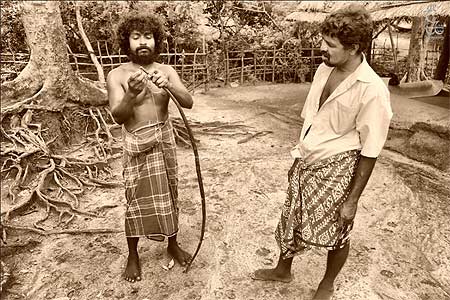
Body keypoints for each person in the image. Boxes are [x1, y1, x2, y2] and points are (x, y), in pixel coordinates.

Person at [252, 5, 392, 300]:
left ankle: (327, 284)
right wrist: (298, 156)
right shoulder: (323, 69)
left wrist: (352, 200)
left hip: (338, 166)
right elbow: (311, 117)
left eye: (330, 44)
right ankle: (282, 269)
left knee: (338, 228)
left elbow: (371, 148)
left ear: (353, 48)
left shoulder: (372, 90)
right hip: (308, 158)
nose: (321, 49)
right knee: (290, 216)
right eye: (323, 40)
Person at [107, 13, 193, 283]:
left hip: (164, 141)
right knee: (134, 199)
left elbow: (188, 101)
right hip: (136, 145)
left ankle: (172, 244)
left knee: (170, 192)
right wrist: (132, 94)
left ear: (156, 41)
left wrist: (168, 86)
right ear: (127, 42)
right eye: (135, 38)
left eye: (148, 37)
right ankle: (133, 254)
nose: (142, 43)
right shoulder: (117, 75)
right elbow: (117, 116)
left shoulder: (166, 71)